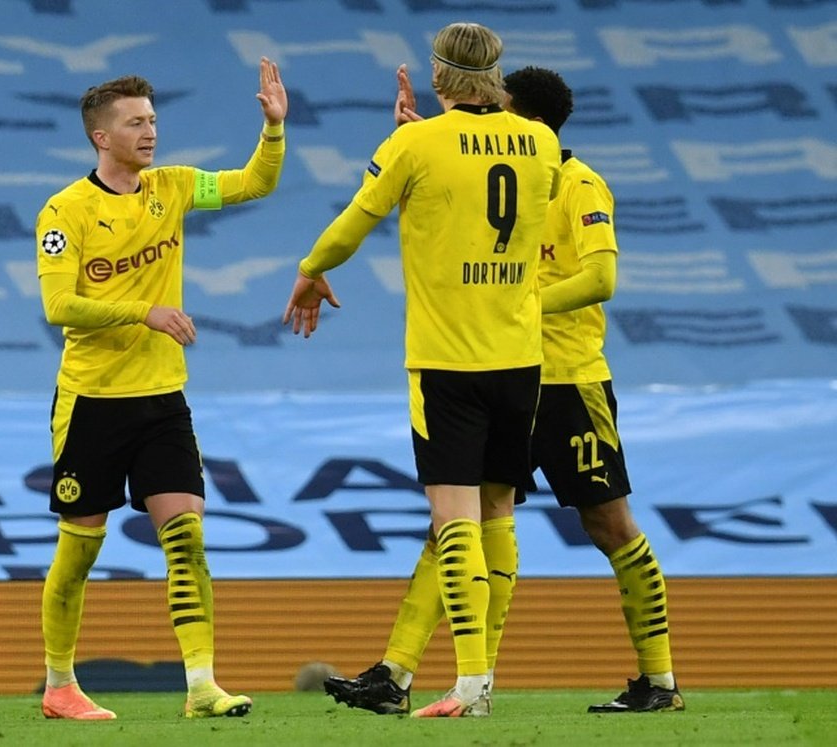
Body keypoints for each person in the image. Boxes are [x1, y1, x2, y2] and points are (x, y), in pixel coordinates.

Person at [324, 65, 685, 716]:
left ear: (527, 121)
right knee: (467, 520)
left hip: (569, 379)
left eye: (500, 106)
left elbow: (601, 278)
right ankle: (406, 675)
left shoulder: (578, 184)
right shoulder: (500, 173)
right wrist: (418, 140)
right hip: (497, 368)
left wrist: (521, 301)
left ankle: (658, 679)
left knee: (610, 523)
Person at [283, 23, 561, 718]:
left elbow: (353, 223)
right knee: (498, 512)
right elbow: (489, 200)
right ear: (496, 76)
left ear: (438, 78)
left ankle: (467, 688)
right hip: (521, 357)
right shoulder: (543, 143)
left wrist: (310, 270)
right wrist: (424, 149)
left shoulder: (415, 144)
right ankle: (475, 679)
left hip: (447, 361)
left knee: (454, 517)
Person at [34, 57, 287, 721]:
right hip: (91, 400)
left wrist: (274, 129)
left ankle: (202, 685)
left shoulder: (171, 188)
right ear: (101, 136)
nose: (150, 132)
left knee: (187, 538)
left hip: (162, 400)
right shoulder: (66, 210)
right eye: (135, 122)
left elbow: (255, 183)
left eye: (152, 119)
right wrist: (143, 311)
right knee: (80, 548)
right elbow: (61, 305)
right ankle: (60, 684)